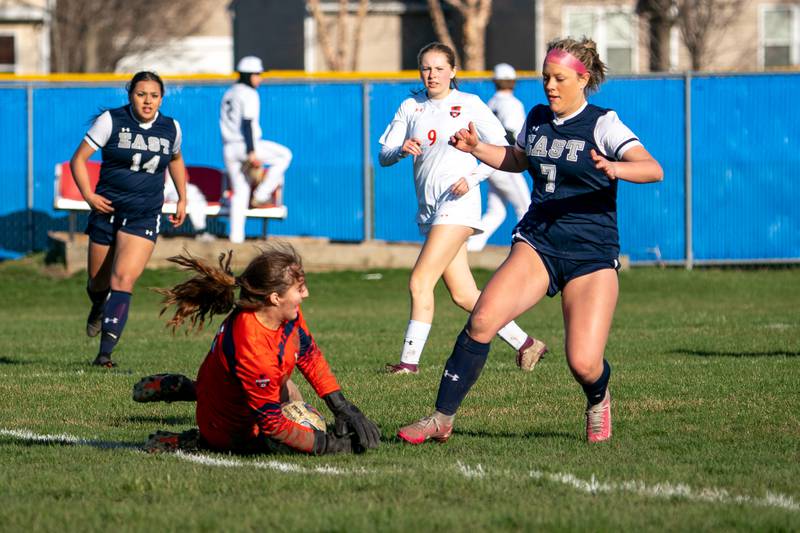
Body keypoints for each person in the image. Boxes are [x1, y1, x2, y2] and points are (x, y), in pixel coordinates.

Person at [398, 37, 664, 444]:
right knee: (483, 318)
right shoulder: (538, 117)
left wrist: (615, 167)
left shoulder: (603, 123)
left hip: (590, 254)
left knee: (583, 363)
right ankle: (440, 419)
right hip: (538, 242)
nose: (550, 86)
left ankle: (598, 398)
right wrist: (477, 148)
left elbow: (652, 168)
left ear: (583, 79)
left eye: (559, 78)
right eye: (545, 78)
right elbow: (518, 160)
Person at [378, 42, 547, 375]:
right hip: (430, 211)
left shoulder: (468, 104)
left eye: (440, 68)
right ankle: (527, 344)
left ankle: (408, 364)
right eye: (426, 68)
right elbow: (384, 154)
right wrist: (400, 149)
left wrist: (472, 178)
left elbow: (503, 150)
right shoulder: (411, 107)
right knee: (464, 293)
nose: (432, 75)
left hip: (458, 206)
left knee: (419, 281)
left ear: (453, 71)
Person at [140, 243, 381, 455]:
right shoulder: (253, 347)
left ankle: (191, 389)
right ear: (275, 298)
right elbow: (272, 424)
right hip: (225, 427)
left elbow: (309, 355)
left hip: (223, 385)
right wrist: (329, 445)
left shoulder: (282, 314)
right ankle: (196, 440)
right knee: (275, 441)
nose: (306, 294)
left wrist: (341, 406)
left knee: (291, 392)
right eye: (300, 288)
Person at [69, 71, 187, 368]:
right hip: (107, 210)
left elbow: (175, 159)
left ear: (162, 98)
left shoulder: (171, 127)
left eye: (154, 95)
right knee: (98, 282)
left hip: (144, 213)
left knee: (123, 279)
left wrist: (182, 197)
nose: (147, 101)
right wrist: (88, 195)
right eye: (141, 94)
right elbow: (79, 160)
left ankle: (104, 354)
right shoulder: (111, 120)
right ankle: (98, 306)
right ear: (130, 94)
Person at [220, 56, 292, 243]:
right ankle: (261, 194)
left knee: (240, 192)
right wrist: (252, 151)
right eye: (258, 74)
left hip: (229, 148)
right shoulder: (249, 93)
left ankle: (236, 240)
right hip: (246, 144)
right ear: (249, 75)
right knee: (284, 155)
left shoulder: (229, 93)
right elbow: (247, 123)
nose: (260, 78)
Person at [466, 63, 532, 252]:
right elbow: (511, 133)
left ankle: (473, 246)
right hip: (504, 160)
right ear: (513, 82)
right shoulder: (512, 103)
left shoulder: (491, 102)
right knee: (525, 207)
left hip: (488, 159)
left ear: (495, 81)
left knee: (497, 211)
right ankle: (526, 249)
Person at [164, 172, 214, 241]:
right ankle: (200, 231)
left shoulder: (191, 188)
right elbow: (167, 187)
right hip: (172, 192)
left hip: (184, 191)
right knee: (192, 199)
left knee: (197, 199)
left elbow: (184, 178)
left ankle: (201, 231)